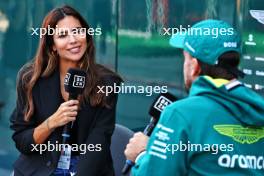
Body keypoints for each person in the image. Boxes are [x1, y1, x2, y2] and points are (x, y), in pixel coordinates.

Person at [124, 19, 264, 175]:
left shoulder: (180, 115)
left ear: (194, 66)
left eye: (185, 58)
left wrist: (142, 155)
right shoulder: (258, 110)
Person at [10, 5, 121, 176]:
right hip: (39, 168)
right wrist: (52, 122)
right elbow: (23, 141)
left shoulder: (107, 82)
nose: (73, 39)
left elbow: (99, 143)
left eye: (78, 31)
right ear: (52, 45)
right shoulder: (30, 79)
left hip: (85, 169)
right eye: (62, 35)